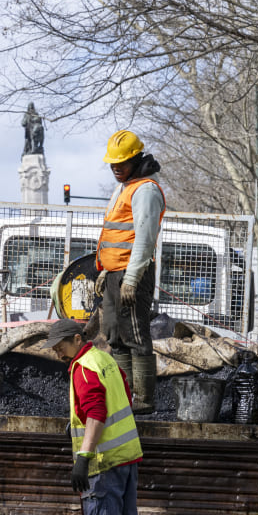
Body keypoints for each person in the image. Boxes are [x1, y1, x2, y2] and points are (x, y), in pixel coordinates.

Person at [44, 318, 147, 515]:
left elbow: (98, 412)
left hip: (103, 464)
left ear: (77, 339)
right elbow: (124, 400)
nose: (57, 352)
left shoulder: (84, 367)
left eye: (61, 345)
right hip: (127, 459)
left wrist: (83, 456)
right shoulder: (106, 360)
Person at [96, 129, 166, 414]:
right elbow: (116, 235)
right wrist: (105, 270)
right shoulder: (125, 186)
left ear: (136, 160)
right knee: (116, 336)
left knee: (135, 336)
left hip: (131, 274)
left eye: (121, 163)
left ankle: (144, 400)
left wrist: (132, 279)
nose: (115, 167)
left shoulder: (145, 190)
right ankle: (124, 397)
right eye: (112, 163)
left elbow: (145, 239)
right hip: (116, 273)